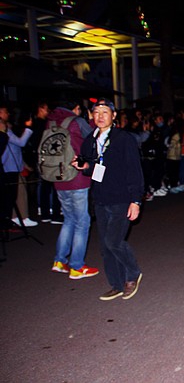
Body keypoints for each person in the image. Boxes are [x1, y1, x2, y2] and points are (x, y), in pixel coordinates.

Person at [76, 98, 144, 301]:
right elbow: (89, 166)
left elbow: (135, 171)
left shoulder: (124, 139)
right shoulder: (90, 139)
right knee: (105, 247)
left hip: (122, 198)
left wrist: (136, 200)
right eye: (96, 113)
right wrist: (82, 166)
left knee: (114, 241)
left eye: (105, 112)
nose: (100, 117)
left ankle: (133, 274)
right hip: (101, 198)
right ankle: (116, 283)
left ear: (114, 116)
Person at [48, 100, 98, 279]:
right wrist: (91, 120)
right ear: (76, 108)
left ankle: (59, 260)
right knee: (82, 222)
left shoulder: (51, 122)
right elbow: (93, 137)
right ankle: (77, 265)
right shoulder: (76, 121)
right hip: (77, 178)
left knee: (69, 219)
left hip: (58, 178)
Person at [0, 104, 33, 230]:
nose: (7, 114)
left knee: (12, 195)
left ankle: (11, 219)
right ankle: (8, 221)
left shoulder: (7, 128)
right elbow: (20, 142)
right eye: (5, 112)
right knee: (8, 196)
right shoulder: (4, 130)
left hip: (13, 166)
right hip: (8, 167)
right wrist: (28, 129)